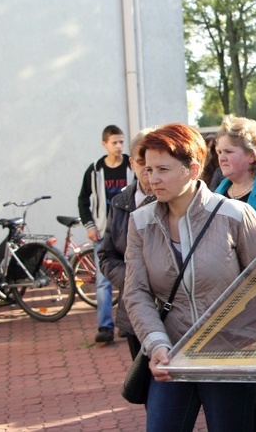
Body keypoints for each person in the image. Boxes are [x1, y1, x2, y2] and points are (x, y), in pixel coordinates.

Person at [124, 123, 256, 432]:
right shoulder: (141, 222)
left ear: (193, 169)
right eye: (148, 169)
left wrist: (243, 335)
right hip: (172, 354)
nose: (152, 178)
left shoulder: (235, 215)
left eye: (163, 168)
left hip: (228, 358)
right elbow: (136, 292)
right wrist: (156, 343)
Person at [98, 128, 156, 359]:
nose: (148, 170)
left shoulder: (173, 200)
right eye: (143, 162)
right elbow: (106, 255)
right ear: (132, 163)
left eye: (156, 163)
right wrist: (132, 279)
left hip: (172, 312)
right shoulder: (120, 202)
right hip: (133, 311)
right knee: (142, 384)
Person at [78, 124, 132, 343]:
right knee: (103, 280)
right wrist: (90, 226)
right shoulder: (95, 170)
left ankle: (126, 324)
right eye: (114, 142)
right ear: (104, 144)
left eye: (121, 141)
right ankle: (105, 328)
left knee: (131, 277)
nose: (119, 146)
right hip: (103, 232)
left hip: (128, 231)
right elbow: (83, 200)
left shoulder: (131, 166)